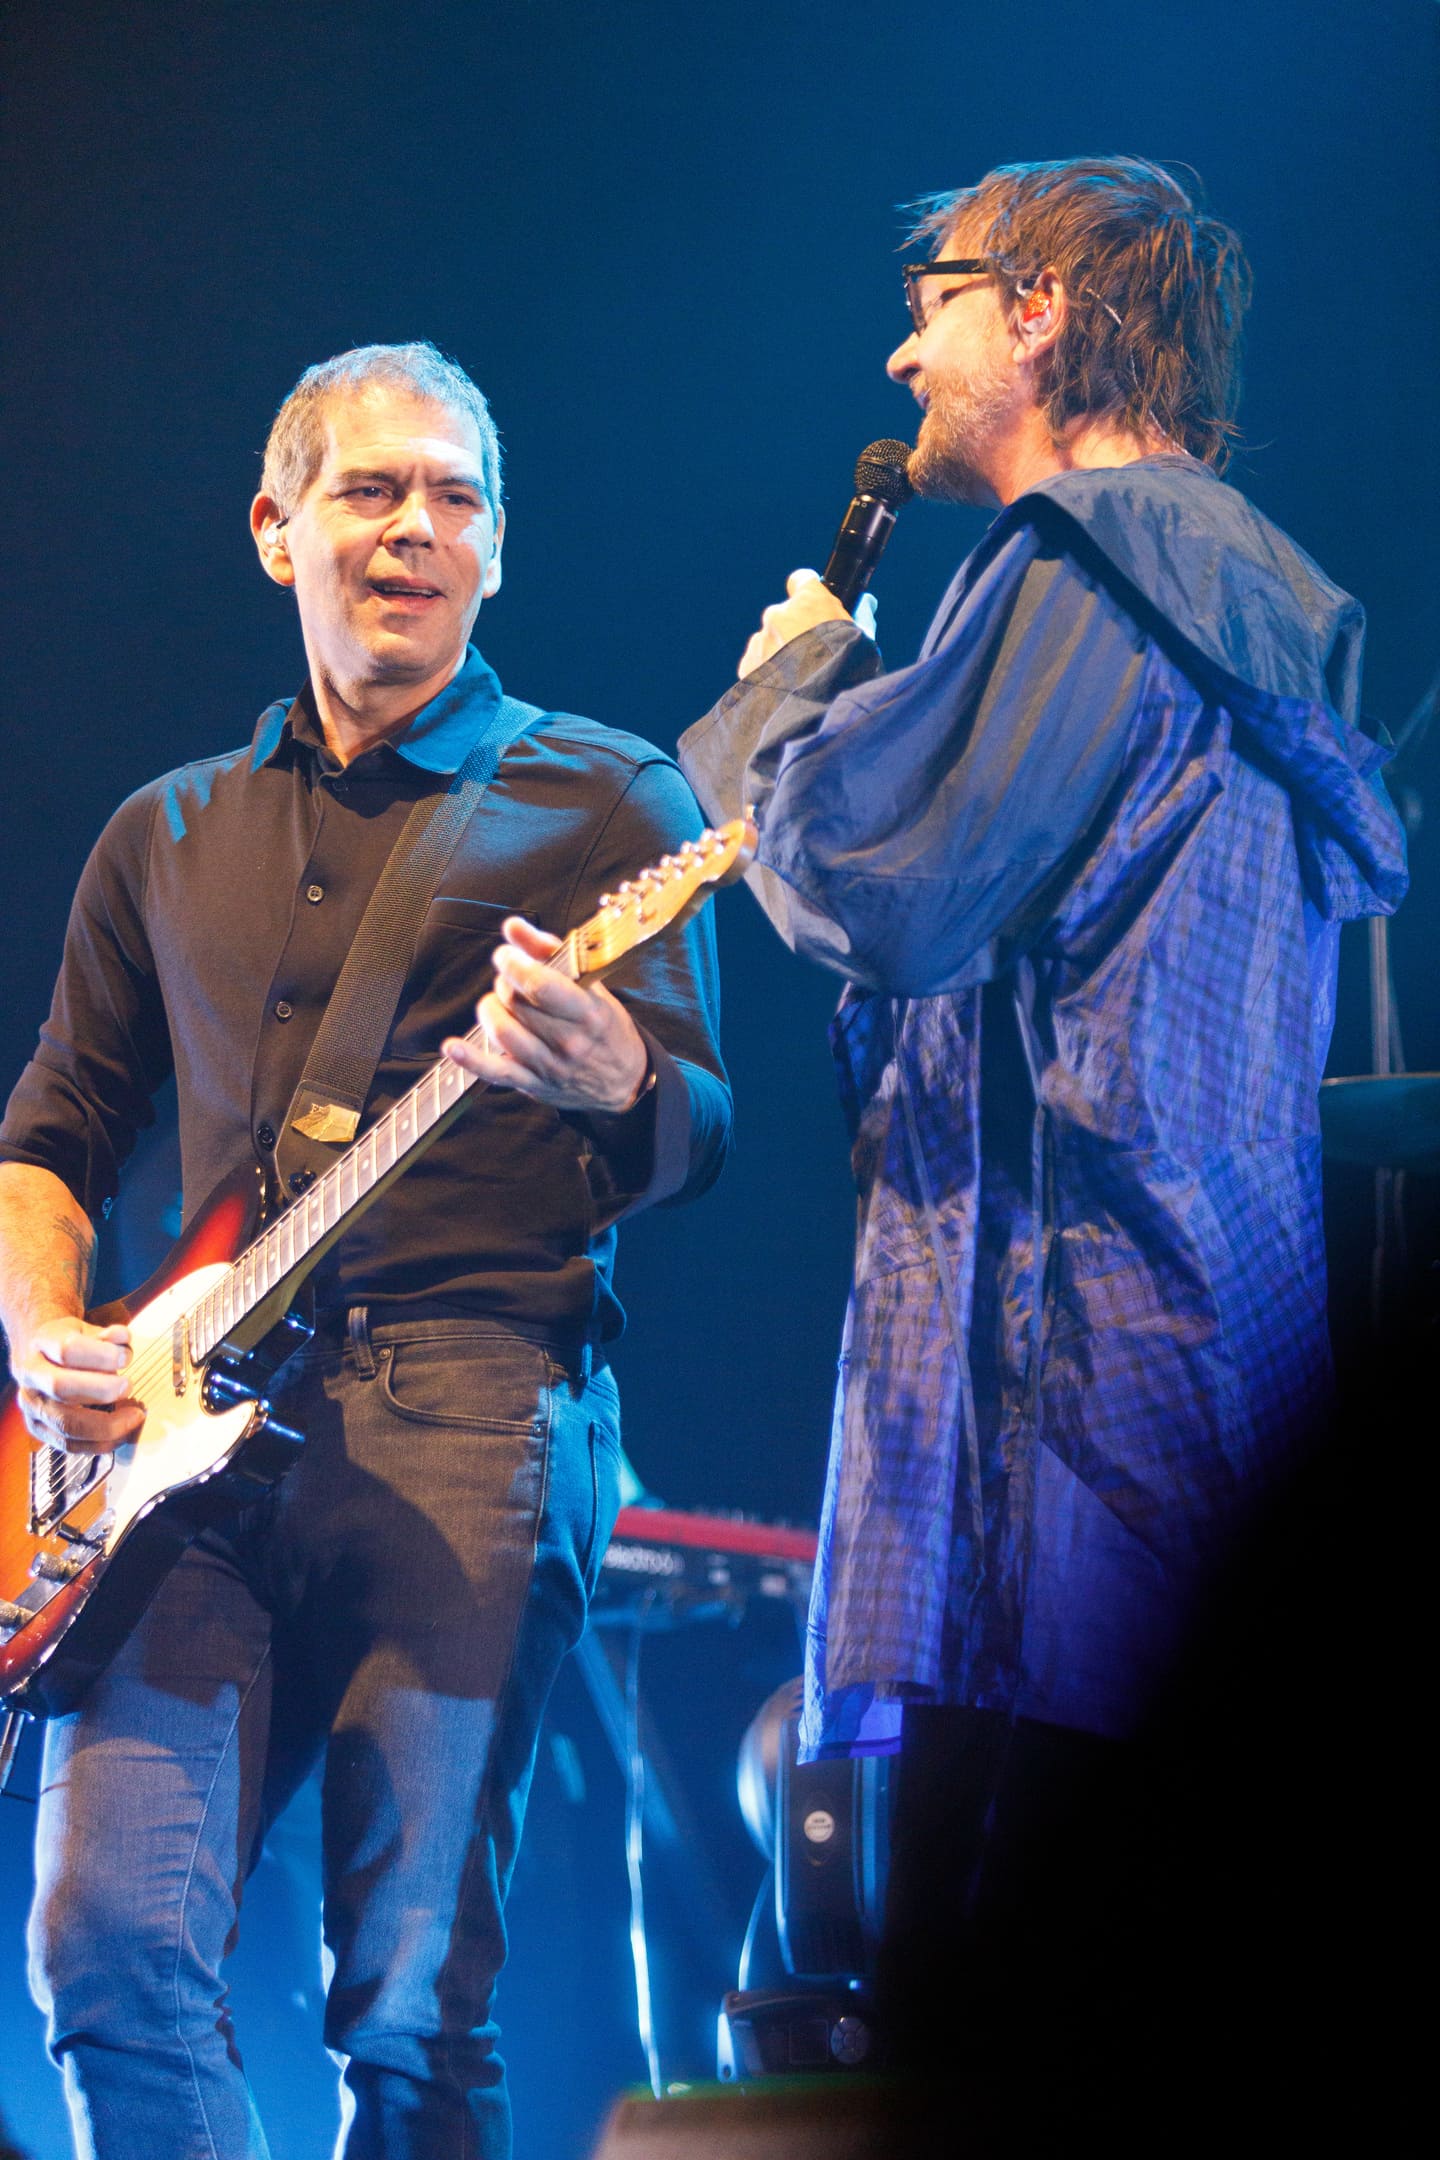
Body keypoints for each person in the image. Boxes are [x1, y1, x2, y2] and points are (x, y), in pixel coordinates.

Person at [0, 342, 730, 2159]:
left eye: (457, 498)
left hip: (478, 1404)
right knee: (102, 1945)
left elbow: (698, 1134)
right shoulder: (162, 832)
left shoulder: (612, 803)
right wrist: (35, 1328)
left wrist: (615, 1065)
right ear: (275, 528)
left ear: (498, 549)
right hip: (184, 1444)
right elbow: (52, 1140)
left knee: (407, 2009)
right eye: (371, 491)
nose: (417, 530)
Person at [679, 158, 1406, 1926]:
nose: (898, 358)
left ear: (1040, 306)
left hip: (1065, 1422)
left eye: (929, 300)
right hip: (1203, 1379)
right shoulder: (1237, 594)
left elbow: (881, 881)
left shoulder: (1088, 565)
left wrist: (797, 693)